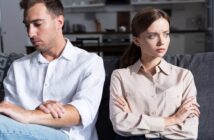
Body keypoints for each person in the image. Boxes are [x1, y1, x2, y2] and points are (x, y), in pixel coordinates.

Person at [0, 0, 105, 140]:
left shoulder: (90, 62)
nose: (30, 33)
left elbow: (80, 113)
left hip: (68, 136)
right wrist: (36, 113)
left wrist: (29, 115)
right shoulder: (18, 67)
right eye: (27, 26)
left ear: (59, 22)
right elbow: (10, 112)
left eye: (37, 24)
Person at [109, 7, 200, 140]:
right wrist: (174, 119)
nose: (162, 41)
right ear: (137, 40)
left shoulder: (184, 76)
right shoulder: (120, 76)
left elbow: (189, 131)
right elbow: (120, 124)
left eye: (166, 34)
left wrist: (135, 122)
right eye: (152, 36)